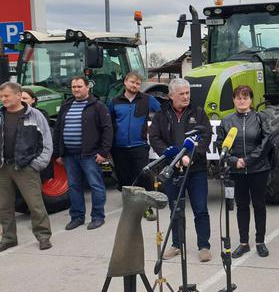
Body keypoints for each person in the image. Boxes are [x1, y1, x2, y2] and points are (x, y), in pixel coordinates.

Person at [149, 78, 213, 262]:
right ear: (171, 96)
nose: (186, 97)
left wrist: (190, 157)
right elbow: (155, 138)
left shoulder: (198, 113)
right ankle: (177, 244)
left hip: (196, 170)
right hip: (172, 169)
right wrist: (173, 157)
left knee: (200, 209)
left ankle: (204, 246)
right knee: (175, 208)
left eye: (187, 93)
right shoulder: (161, 114)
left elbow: (205, 137)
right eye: (181, 94)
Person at [216, 85, 272, 258]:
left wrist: (248, 160)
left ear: (251, 100)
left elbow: (266, 142)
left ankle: (260, 241)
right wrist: (234, 161)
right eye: (238, 97)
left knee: (259, 205)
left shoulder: (260, 118)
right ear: (233, 100)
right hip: (237, 172)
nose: (242, 100)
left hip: (258, 169)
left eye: (245, 97)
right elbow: (221, 145)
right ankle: (243, 242)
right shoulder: (226, 121)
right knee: (241, 206)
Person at [54, 76, 113, 231]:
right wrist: (59, 152)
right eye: (74, 87)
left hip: (90, 155)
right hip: (69, 155)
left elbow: (107, 129)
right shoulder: (66, 105)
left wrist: (104, 152)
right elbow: (59, 130)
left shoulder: (98, 106)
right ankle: (77, 217)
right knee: (74, 186)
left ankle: (98, 216)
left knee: (96, 185)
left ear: (88, 87)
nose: (76, 89)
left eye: (79, 86)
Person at [0, 82, 53, 251]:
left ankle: (43, 236)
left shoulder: (35, 115)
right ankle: (9, 238)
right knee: (4, 206)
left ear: (18, 95)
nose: (3, 99)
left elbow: (46, 142)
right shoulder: (1, 115)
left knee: (35, 204)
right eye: (1, 96)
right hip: (3, 168)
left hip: (26, 167)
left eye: (6, 96)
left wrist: (37, 164)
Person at [108, 71, 161, 221]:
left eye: (138, 83)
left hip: (139, 145)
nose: (135, 85)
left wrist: (154, 127)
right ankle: (130, 206)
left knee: (143, 176)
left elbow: (162, 113)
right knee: (124, 178)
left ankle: (147, 208)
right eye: (132, 82)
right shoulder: (114, 101)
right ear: (125, 82)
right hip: (119, 147)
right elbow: (108, 122)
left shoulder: (147, 99)